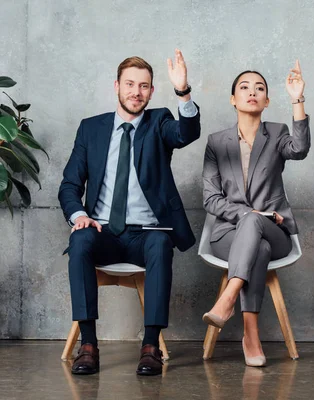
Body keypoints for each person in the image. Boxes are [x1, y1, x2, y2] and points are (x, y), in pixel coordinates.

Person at [58, 50, 201, 376]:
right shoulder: (90, 129)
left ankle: (150, 346)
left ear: (151, 92)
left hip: (146, 232)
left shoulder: (160, 121)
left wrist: (183, 91)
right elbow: (69, 185)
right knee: (79, 242)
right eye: (130, 84)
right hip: (102, 230)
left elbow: (186, 133)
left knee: (160, 245)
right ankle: (89, 345)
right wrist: (79, 215)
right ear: (117, 86)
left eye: (144, 86)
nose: (136, 92)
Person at [201, 61, 310, 367]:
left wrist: (297, 99)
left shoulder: (277, 133)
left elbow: (300, 149)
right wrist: (251, 214)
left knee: (260, 234)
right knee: (256, 243)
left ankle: (228, 297)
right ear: (233, 99)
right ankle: (251, 334)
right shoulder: (216, 142)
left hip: (277, 232)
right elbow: (211, 199)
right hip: (227, 235)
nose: (252, 92)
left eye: (259, 88)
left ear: (267, 100)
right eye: (244, 88)